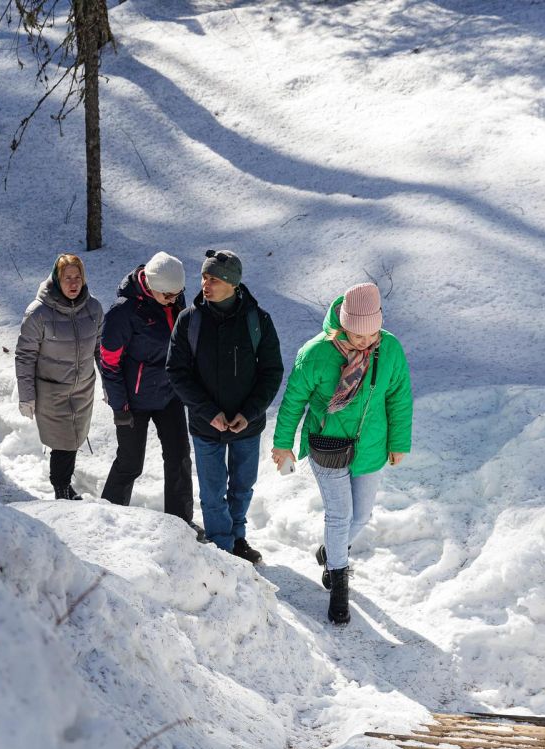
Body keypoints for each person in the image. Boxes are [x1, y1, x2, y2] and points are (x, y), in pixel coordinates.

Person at [271, 282, 413, 625]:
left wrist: (398, 443)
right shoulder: (316, 353)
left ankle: (329, 552)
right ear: (343, 322)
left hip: (371, 446)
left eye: (371, 334)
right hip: (328, 444)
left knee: (360, 516)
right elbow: (293, 402)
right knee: (339, 516)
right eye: (355, 335)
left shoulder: (390, 349)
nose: (364, 342)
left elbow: (399, 397)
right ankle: (338, 583)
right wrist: (282, 443)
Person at [167, 250, 283, 564]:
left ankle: (238, 537)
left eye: (214, 279)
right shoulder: (189, 320)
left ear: (232, 283)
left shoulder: (258, 320)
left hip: (247, 424)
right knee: (212, 490)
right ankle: (222, 547)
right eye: (204, 277)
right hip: (207, 425)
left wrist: (249, 412)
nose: (206, 284)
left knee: (243, 486)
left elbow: (271, 371)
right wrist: (208, 411)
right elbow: (176, 371)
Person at [98, 252, 194, 525]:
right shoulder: (123, 311)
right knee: (130, 464)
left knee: (179, 459)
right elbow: (109, 363)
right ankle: (106, 520)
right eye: (168, 295)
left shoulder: (174, 299)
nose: (174, 299)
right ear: (151, 285)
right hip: (133, 401)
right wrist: (120, 406)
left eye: (178, 294)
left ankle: (181, 524)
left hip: (168, 395)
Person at [15, 254, 104, 500]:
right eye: (67, 278)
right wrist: (26, 396)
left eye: (77, 277)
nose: (73, 283)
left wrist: (110, 384)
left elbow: (101, 349)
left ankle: (64, 485)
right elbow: (24, 356)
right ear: (57, 279)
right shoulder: (39, 313)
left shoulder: (93, 308)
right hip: (52, 390)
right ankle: (61, 490)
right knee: (63, 442)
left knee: (73, 439)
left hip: (84, 388)